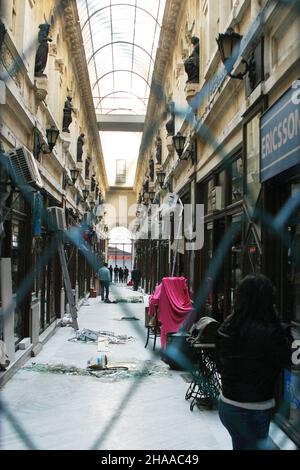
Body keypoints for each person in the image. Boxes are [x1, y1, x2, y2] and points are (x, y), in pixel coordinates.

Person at [216, 274, 293, 450]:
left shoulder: (227, 326)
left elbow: (220, 365)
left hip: (227, 404)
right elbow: (287, 356)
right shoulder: (270, 332)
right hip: (253, 409)